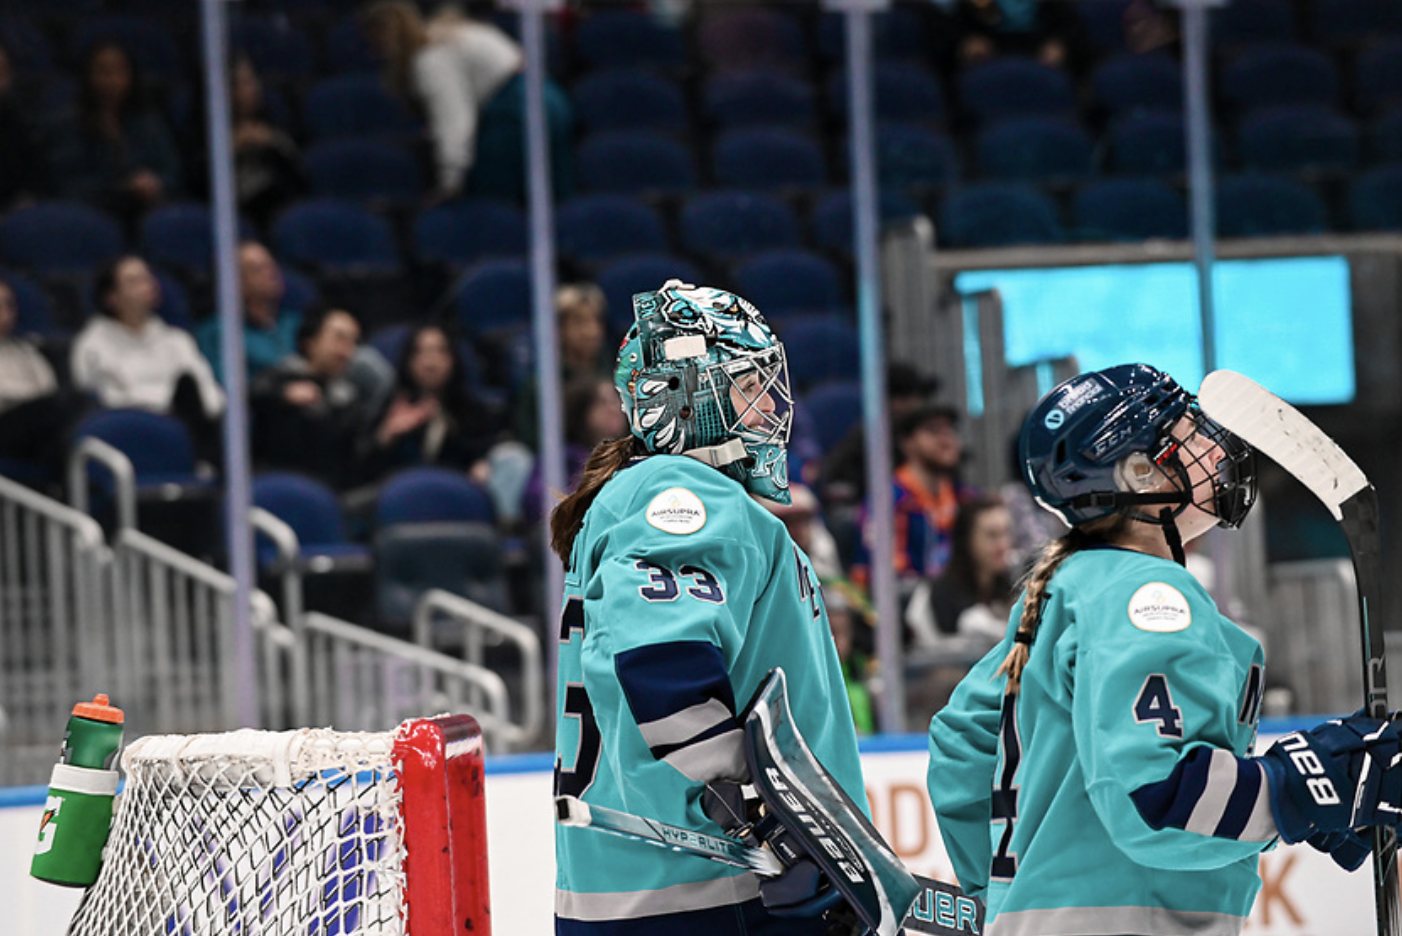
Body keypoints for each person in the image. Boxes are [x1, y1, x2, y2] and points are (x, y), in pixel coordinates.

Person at [927, 363, 1402, 936]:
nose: (1214, 446)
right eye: (1189, 435)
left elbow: (962, 743)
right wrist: (1302, 786)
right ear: (1140, 474)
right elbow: (1160, 800)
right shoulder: (1148, 595)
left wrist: (1007, 901)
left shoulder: (1067, 588)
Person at [550, 280, 866, 934]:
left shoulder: (639, 495)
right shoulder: (681, 490)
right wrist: (772, 829)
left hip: (641, 893)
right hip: (710, 898)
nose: (771, 404)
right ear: (691, 397)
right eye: (749, 385)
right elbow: (662, 663)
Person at [360, 0, 573, 204]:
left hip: (516, 109)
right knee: (552, 193)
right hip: (549, 97)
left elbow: (456, 121)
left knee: (490, 197)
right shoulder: (448, 31)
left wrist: (450, 182)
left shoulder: (431, 60)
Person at [70, 255, 224, 460]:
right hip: (136, 433)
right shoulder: (92, 346)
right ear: (111, 297)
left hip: (195, 425)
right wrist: (166, 404)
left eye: (148, 278)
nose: (147, 286)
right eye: (134, 281)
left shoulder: (178, 340)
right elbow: (109, 399)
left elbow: (208, 389)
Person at [850, 402, 979, 601]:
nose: (946, 438)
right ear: (907, 443)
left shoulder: (965, 496)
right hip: (898, 609)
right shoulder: (888, 500)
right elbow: (884, 577)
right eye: (933, 430)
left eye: (950, 429)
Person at [48, 40, 183, 225]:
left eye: (120, 71)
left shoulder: (149, 124)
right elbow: (63, 182)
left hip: (143, 211)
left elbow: (171, 172)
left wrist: (154, 182)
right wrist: (118, 188)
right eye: (103, 71)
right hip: (87, 214)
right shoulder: (65, 125)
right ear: (88, 76)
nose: (112, 80)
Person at [359, 323, 502, 484]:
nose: (430, 361)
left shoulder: (474, 411)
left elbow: (481, 455)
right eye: (420, 352)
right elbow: (362, 467)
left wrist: (445, 425)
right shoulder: (390, 405)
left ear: (453, 358)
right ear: (408, 360)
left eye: (439, 351)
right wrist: (386, 436)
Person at [249, 305, 374, 489]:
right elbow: (252, 398)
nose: (345, 351)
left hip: (329, 493)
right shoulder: (277, 378)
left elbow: (354, 458)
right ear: (310, 341)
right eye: (339, 338)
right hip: (275, 484)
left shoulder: (349, 399)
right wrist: (283, 395)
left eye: (352, 342)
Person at [0, 278, 86, 472]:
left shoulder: (26, 351)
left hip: (36, 431)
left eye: (8, 305)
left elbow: (50, 392)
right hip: (4, 429)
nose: (5, 313)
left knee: (76, 402)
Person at [229, 56, 305, 231]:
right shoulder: (207, 136)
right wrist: (231, 150)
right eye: (245, 83)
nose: (254, 88)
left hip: (277, 217)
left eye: (253, 80)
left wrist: (274, 143)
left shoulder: (273, 122)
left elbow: (299, 180)